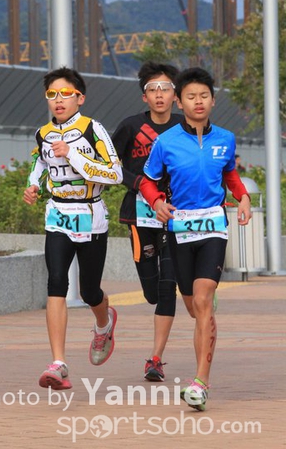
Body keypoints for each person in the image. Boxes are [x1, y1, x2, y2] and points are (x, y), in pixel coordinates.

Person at [140, 67, 251, 411]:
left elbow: (230, 174)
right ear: (180, 102)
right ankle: (204, 309)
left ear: (213, 101)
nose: (198, 101)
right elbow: (147, 181)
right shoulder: (166, 142)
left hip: (214, 226)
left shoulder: (225, 139)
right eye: (191, 96)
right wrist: (157, 203)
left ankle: (200, 382)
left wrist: (243, 197)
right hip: (180, 229)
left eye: (204, 96)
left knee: (203, 300)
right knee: (193, 306)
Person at [23, 67, 123, 391]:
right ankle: (58, 363)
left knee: (89, 291)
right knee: (56, 282)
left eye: (65, 94)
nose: (58, 100)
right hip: (58, 214)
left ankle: (104, 323)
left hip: (91, 214)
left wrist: (75, 155)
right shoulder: (42, 134)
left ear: (80, 98)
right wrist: (33, 186)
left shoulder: (92, 129)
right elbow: (40, 163)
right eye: (52, 94)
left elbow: (115, 173)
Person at [111, 62, 182, 382]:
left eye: (165, 88)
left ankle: (155, 359)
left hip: (177, 214)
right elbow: (110, 166)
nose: (159, 94)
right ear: (144, 96)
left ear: (175, 95)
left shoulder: (185, 126)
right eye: (153, 89)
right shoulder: (130, 127)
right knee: (152, 291)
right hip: (140, 214)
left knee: (168, 287)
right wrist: (138, 182)